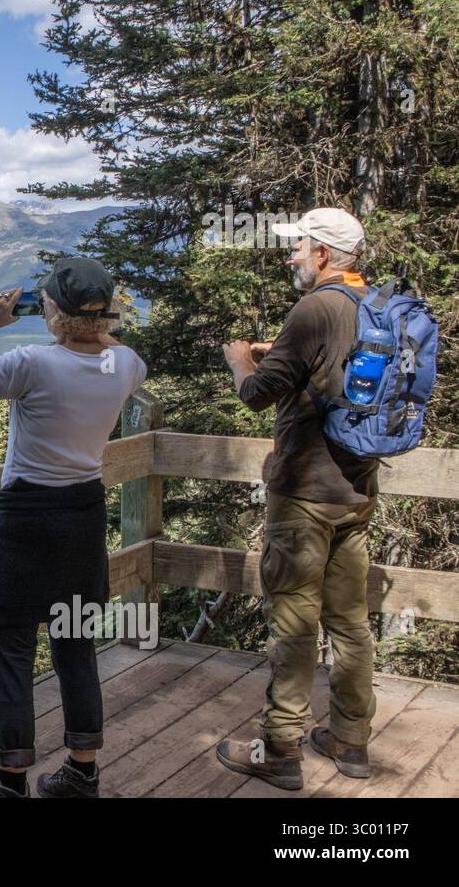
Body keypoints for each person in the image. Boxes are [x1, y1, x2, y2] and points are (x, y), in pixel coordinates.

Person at [0, 257, 147, 798]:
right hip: (82, 521)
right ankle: (82, 773)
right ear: (108, 314)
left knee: (10, 647)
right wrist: (96, 322)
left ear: (49, 309)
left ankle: (11, 784)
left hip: (25, 524)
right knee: (76, 644)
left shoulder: (31, 362)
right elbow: (113, 344)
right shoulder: (126, 365)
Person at [216, 207, 380, 790]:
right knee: (351, 622)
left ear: (325, 255)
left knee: (292, 622)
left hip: (306, 490)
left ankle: (281, 750)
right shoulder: (371, 305)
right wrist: (280, 348)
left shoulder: (315, 306)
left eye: (300, 247)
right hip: (356, 488)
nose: (292, 256)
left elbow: (260, 395)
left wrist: (240, 362)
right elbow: (331, 369)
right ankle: (350, 740)